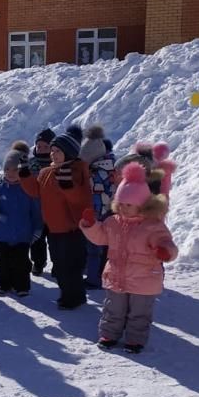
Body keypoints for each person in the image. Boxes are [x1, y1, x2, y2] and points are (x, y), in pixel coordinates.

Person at [80, 162, 178, 353]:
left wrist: (165, 251)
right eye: (121, 203)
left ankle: (135, 339)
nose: (124, 208)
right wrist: (90, 225)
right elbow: (100, 237)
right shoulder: (112, 222)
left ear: (142, 205)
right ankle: (109, 334)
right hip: (116, 274)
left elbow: (167, 243)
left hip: (144, 279)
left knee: (139, 313)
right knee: (113, 308)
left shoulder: (153, 225)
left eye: (129, 205)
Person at [19, 125, 91, 309]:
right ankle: (71, 294)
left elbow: (81, 199)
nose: (53, 154)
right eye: (52, 151)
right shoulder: (46, 172)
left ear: (69, 152)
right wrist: (25, 174)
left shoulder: (77, 169)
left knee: (70, 266)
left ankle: (72, 297)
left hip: (71, 228)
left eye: (57, 151)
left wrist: (68, 186)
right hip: (53, 227)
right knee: (59, 265)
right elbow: (35, 192)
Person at [0, 150, 42, 296]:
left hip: (23, 234)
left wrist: (38, 228)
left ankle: (21, 286)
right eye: (7, 169)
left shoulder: (27, 189)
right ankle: (3, 284)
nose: (10, 173)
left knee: (21, 263)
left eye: (15, 169)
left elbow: (36, 211)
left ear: (21, 170)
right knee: (2, 262)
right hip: (2, 234)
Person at [79, 124, 116, 289]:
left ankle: (94, 279)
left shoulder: (96, 174)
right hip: (110, 213)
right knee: (105, 248)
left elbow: (96, 197)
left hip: (98, 214)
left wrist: (95, 218)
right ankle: (103, 275)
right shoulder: (111, 166)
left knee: (94, 248)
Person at [28, 127, 55, 275]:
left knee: (55, 241)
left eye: (46, 146)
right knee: (37, 240)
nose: (42, 149)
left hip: (53, 210)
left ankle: (57, 265)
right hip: (36, 209)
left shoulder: (56, 163)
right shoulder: (32, 163)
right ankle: (38, 263)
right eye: (39, 146)